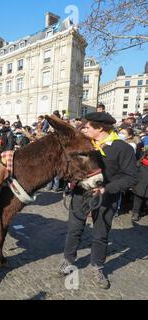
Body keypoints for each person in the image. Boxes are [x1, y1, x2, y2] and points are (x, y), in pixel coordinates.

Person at [58, 112, 138, 289]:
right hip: (80, 194)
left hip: (106, 197)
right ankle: (68, 260)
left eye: (86, 127)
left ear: (100, 128)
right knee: (73, 230)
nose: (83, 130)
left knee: (100, 235)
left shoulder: (122, 148)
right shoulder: (84, 144)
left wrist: (106, 188)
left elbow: (131, 178)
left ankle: (97, 266)